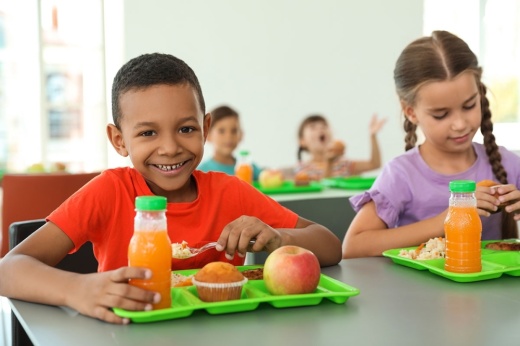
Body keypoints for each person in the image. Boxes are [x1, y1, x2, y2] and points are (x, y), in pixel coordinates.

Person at [0, 53, 342, 324]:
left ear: (205, 128)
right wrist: (77, 289)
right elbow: (9, 270)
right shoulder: (110, 191)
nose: (170, 148)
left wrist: (279, 238)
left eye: (186, 129)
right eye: (148, 133)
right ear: (119, 140)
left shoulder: (231, 193)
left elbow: (329, 245)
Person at [342, 31, 520, 259]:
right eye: (441, 114)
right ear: (410, 111)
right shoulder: (401, 175)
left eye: (469, 106)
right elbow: (353, 247)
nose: (459, 124)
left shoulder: (508, 164)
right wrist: (447, 219)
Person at [291, 113, 386, 180]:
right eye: (313, 127)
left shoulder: (344, 164)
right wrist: (329, 163)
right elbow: (322, 193)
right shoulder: (302, 168)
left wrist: (372, 136)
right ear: (302, 141)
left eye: (324, 126)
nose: (320, 129)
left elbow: (374, 164)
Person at [198, 105, 262, 180]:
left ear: (241, 135)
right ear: (207, 134)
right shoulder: (202, 172)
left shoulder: (249, 169)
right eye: (221, 131)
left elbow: (266, 177)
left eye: (234, 131)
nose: (229, 137)